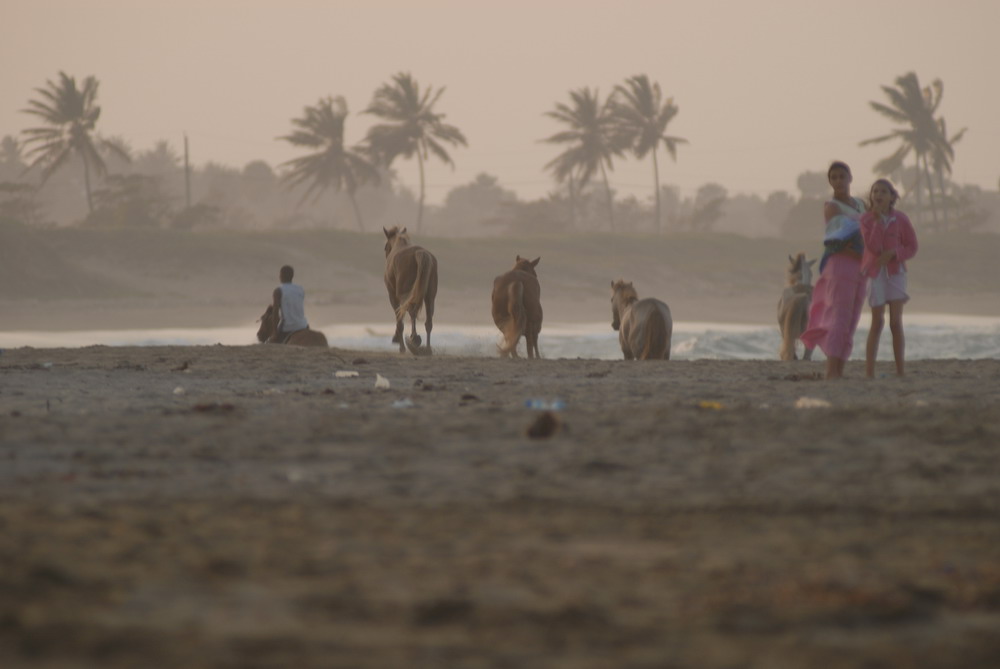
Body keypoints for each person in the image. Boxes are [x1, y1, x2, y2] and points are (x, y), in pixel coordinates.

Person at [800, 161, 868, 379]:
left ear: (850, 178)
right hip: (840, 265)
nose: (839, 181)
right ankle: (832, 370)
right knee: (839, 317)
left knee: (852, 319)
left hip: (861, 268)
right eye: (834, 177)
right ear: (830, 182)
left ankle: (840, 368)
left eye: (842, 176)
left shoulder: (860, 204)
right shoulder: (832, 207)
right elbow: (838, 239)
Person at [860, 179, 918, 377]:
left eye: (884, 191)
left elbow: (912, 247)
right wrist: (877, 221)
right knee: (877, 322)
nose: (879, 195)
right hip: (875, 274)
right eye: (875, 191)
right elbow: (873, 247)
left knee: (895, 323)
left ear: (892, 196)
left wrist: (894, 253)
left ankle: (900, 372)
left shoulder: (901, 219)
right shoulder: (866, 220)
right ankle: (869, 373)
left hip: (896, 274)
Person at [270, 265, 310, 343]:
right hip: (303, 325)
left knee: (272, 345)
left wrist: (274, 333)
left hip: (288, 327)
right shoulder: (300, 289)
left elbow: (275, 313)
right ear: (292, 276)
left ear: (281, 275)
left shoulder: (278, 290)